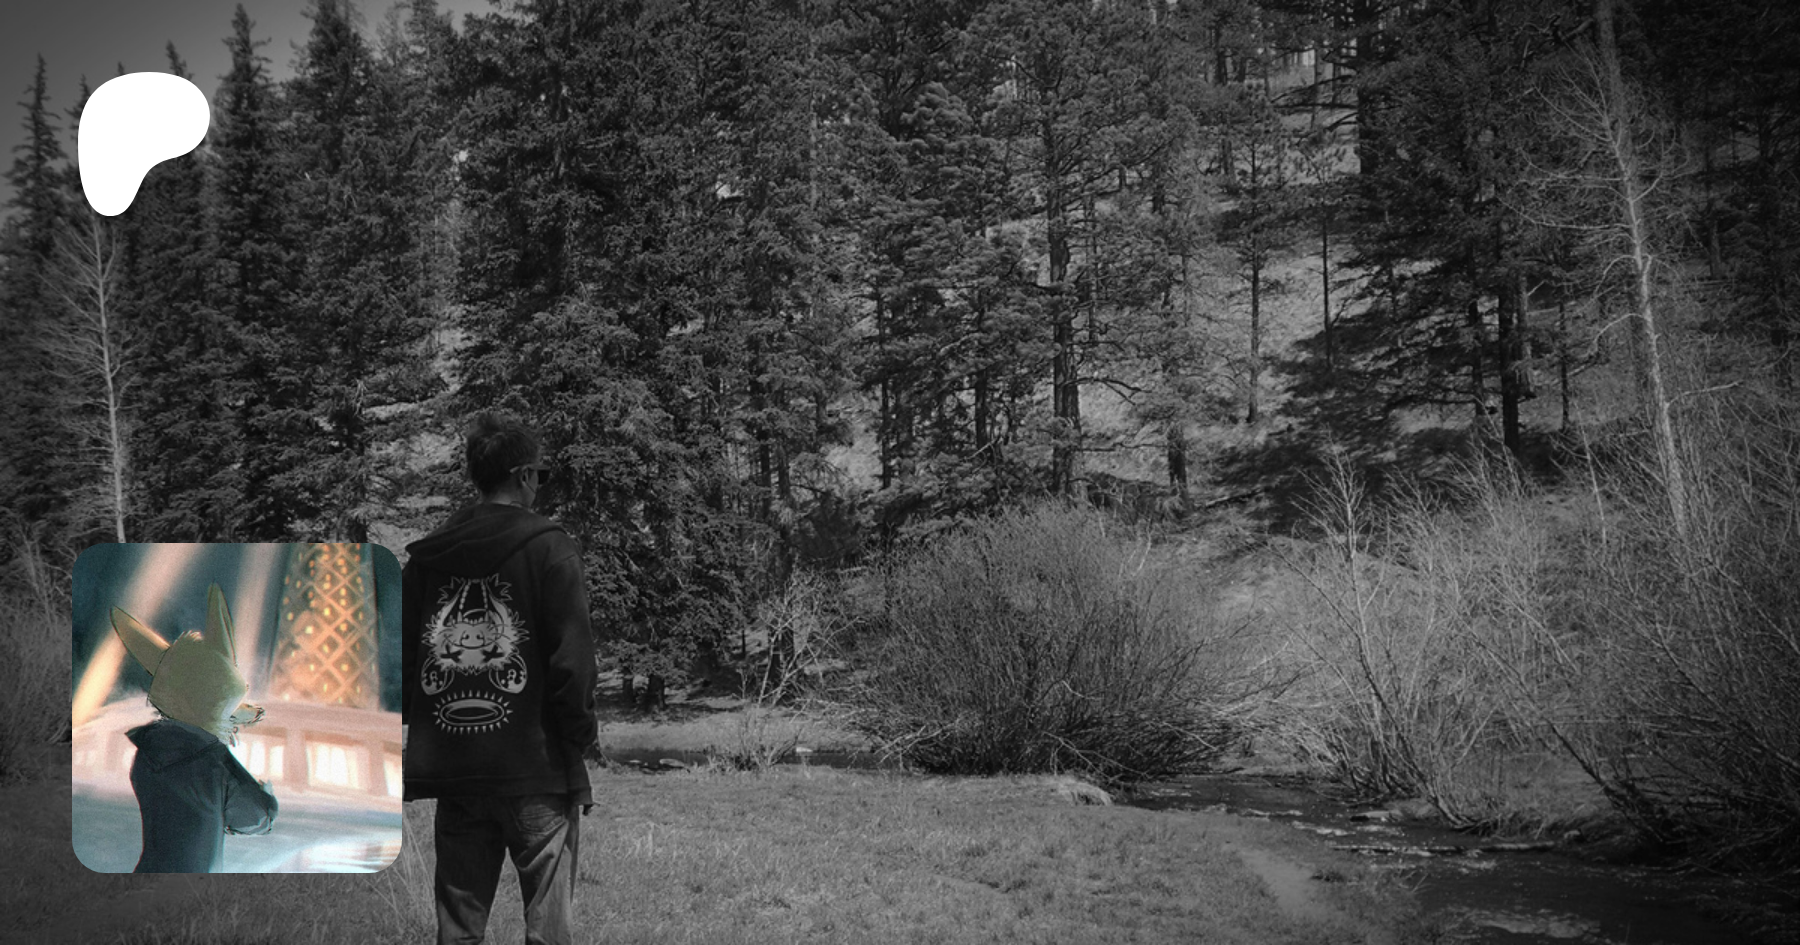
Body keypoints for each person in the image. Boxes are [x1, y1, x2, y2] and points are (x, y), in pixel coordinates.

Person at [402, 410, 598, 945]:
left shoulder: (429, 558)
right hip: (537, 767)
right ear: (525, 475)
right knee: (549, 930)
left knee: (459, 930)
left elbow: (402, 661)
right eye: (541, 474)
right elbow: (573, 663)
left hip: (454, 769)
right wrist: (579, 738)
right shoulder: (550, 548)